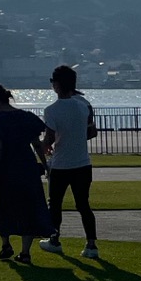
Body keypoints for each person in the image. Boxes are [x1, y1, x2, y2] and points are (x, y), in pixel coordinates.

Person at [0, 83, 53, 263]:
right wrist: (45, 165)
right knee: (29, 206)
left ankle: (5, 243)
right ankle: (25, 252)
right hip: (27, 166)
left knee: (2, 205)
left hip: (7, 167)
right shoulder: (26, 117)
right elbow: (37, 144)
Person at [39, 65, 100, 260]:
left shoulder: (51, 111)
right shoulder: (82, 106)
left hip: (61, 164)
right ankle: (91, 244)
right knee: (83, 205)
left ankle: (55, 239)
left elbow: (49, 139)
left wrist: (41, 146)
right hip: (83, 163)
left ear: (56, 85)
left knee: (55, 204)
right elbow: (90, 131)